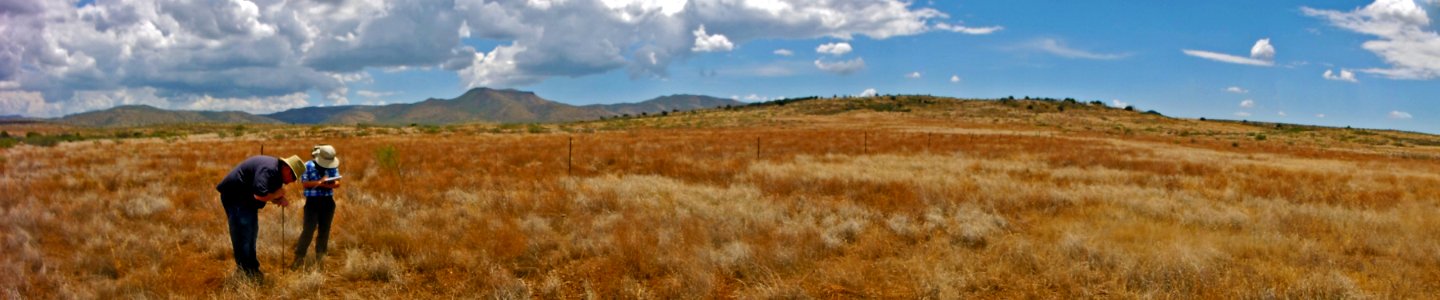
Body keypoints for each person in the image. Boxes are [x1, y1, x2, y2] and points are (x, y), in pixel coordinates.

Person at [215, 155, 305, 283]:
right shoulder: (268, 170)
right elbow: (259, 195)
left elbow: (266, 193)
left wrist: (278, 199)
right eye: (293, 176)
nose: (292, 181)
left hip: (245, 199)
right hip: (235, 197)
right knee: (243, 234)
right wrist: (277, 195)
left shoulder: (277, 174)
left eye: (295, 178)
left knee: (250, 233)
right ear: (286, 167)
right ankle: (246, 272)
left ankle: (251, 269)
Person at [292, 144, 342, 270]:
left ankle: (320, 258)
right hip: (312, 203)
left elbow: (337, 183)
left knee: (324, 230)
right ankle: (299, 257)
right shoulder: (308, 165)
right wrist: (321, 183)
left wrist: (329, 184)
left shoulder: (332, 166)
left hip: (328, 202)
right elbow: (305, 183)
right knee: (308, 230)